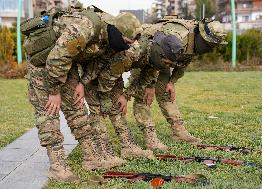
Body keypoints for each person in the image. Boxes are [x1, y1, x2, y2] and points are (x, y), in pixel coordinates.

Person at [21, 7, 141, 181]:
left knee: (76, 107)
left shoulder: (111, 39)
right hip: (44, 62)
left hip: (66, 63)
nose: (127, 46)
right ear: (117, 32)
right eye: (127, 41)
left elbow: (98, 62)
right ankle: (57, 167)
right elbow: (57, 58)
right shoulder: (85, 27)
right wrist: (53, 91)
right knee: (49, 111)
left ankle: (91, 158)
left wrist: (81, 82)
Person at [97, 18, 227, 152]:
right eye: (210, 45)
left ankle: (179, 131)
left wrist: (171, 81)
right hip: (147, 52)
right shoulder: (176, 37)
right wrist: (149, 86)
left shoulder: (190, 42)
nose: (211, 49)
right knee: (143, 97)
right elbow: (153, 61)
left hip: (162, 57)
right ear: (203, 37)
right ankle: (150, 138)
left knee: (166, 92)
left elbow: (184, 60)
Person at [80, 12, 155, 160]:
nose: (129, 45)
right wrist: (86, 84)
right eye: (127, 42)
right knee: (97, 110)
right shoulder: (126, 49)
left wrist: (120, 95)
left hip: (108, 72)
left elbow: (111, 72)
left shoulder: (132, 47)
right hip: (89, 71)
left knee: (116, 107)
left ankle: (128, 147)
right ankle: (103, 153)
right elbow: (105, 74)